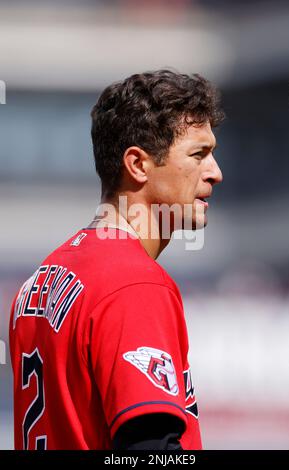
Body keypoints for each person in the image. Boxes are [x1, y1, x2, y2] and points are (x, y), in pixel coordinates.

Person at [9, 70, 223, 450]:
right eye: (199, 155)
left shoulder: (40, 279)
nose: (215, 173)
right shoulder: (134, 284)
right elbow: (150, 450)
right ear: (138, 165)